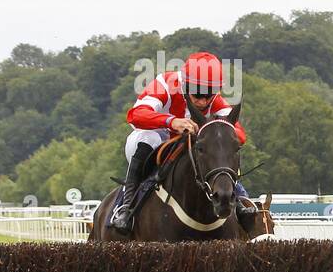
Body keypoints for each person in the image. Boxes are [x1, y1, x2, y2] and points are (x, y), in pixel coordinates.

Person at [109, 51, 254, 233]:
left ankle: (239, 199)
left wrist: (212, 131)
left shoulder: (216, 100)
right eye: (197, 94)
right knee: (150, 137)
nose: (203, 101)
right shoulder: (165, 84)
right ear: (185, 85)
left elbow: (239, 135)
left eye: (209, 95)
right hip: (153, 140)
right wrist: (171, 122)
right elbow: (134, 115)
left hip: (184, 148)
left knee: (218, 145)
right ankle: (126, 208)